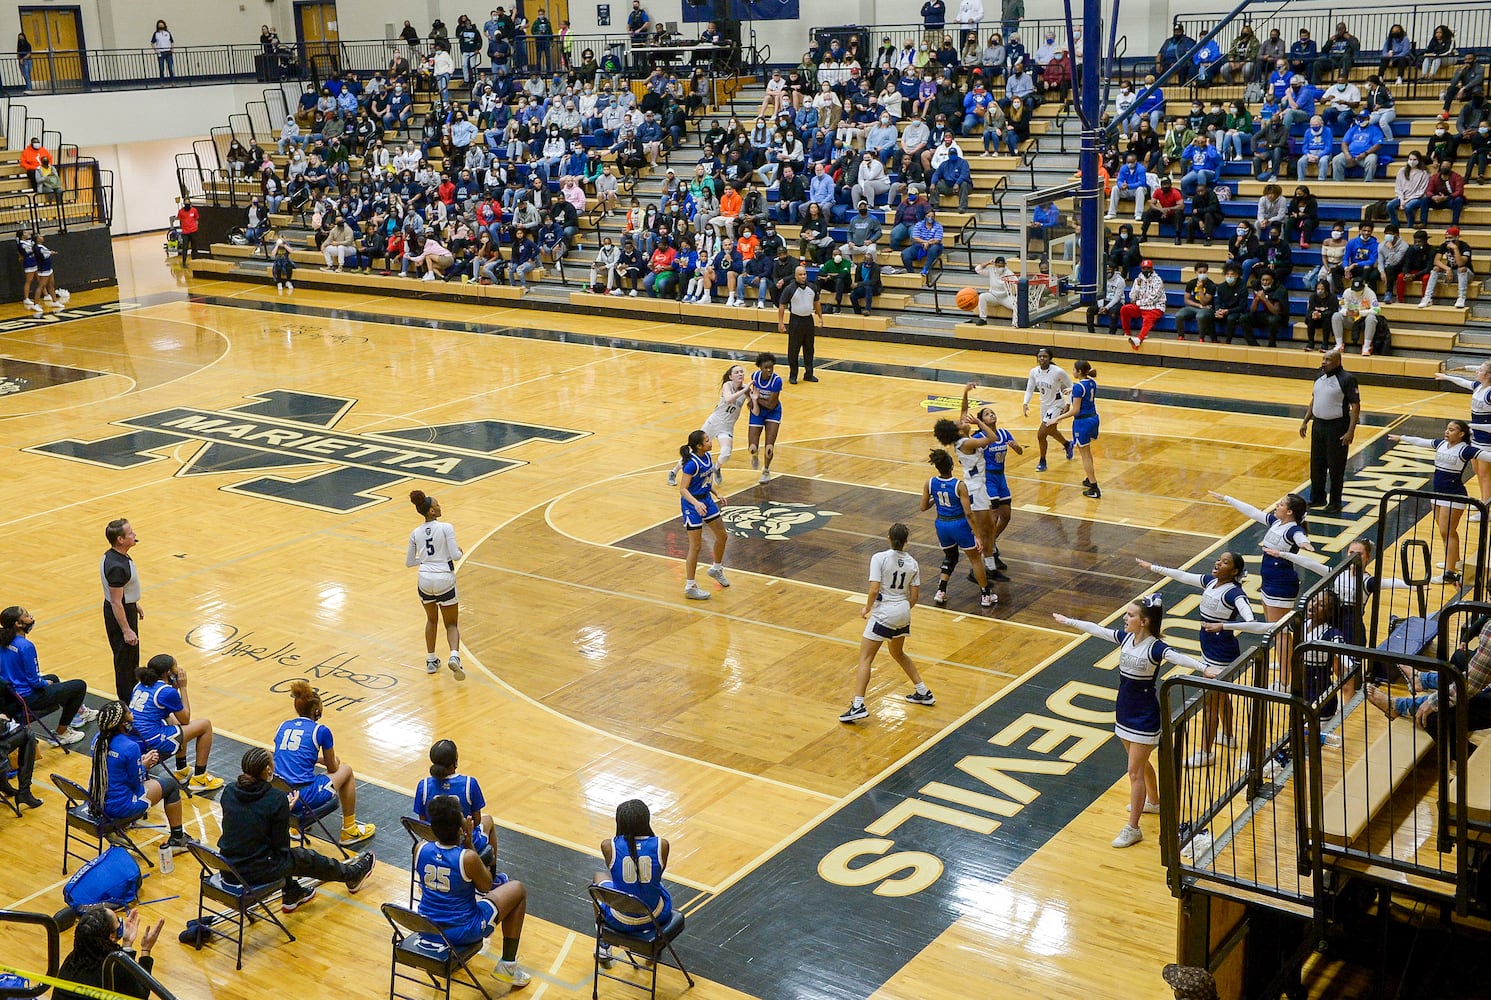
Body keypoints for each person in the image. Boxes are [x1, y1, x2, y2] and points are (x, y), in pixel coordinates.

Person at [1052, 596, 1204, 847]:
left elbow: (1178, 658)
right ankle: (1154, 802)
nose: (1125, 618)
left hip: (1144, 715)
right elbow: (1097, 630)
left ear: (1144, 621)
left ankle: (1133, 828)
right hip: (1123, 709)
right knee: (1142, 766)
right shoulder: (1125, 639)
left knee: (1134, 771)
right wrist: (1069, 621)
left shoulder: (1155, 647)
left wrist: (1203, 667)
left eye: (1130, 615)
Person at [1137, 552, 1267, 765]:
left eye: (1225, 562)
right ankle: (1228, 736)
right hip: (1210, 648)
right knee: (1220, 696)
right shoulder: (1210, 582)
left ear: (1234, 571)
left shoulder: (1234, 594)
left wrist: (1223, 626)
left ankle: (1206, 753)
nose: (1218, 563)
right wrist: (1153, 567)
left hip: (1221, 653)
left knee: (1210, 704)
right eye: (1219, 559)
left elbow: (1252, 623)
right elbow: (1182, 576)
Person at [218, 747, 376, 914]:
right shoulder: (276, 799)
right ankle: (352, 874)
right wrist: (284, 813)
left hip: (228, 868)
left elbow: (246, 824)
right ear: (268, 769)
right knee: (302, 857)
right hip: (253, 873)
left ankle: (293, 892)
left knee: (267, 850)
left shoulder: (229, 791)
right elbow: (282, 849)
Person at [414, 795, 530, 987]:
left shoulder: (419, 848)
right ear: (460, 828)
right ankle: (508, 966)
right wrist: (469, 844)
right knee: (518, 889)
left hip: (427, 926)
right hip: (462, 930)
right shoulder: (467, 858)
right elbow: (486, 886)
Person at [839, 523, 935, 723]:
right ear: (907, 542)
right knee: (897, 652)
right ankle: (923, 691)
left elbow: (874, 589)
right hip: (903, 611)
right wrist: (901, 609)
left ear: (888, 538)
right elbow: (915, 597)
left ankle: (858, 705)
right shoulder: (913, 563)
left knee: (865, 658)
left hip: (885, 612)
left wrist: (866, 608)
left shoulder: (879, 558)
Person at [272, 679, 376, 846]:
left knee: (300, 775)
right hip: (302, 798)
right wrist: (332, 760)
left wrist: (316, 759)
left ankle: (295, 828)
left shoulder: (282, 726)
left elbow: (290, 756)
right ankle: (349, 830)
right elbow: (333, 767)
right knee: (346, 770)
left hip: (280, 796)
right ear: (317, 710)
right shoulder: (321, 731)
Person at [1388, 423, 1486, 584]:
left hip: (1454, 496)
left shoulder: (1465, 449)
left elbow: (1487, 456)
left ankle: (1449, 573)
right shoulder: (1441, 444)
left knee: (1448, 531)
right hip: (1437, 494)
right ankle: (1455, 561)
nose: (1447, 432)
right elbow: (1421, 441)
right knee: (1444, 532)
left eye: (1452, 430)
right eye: (1447, 429)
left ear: (1461, 434)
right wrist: (1402, 438)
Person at [89, 701, 188, 852]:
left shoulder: (97, 740)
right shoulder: (130, 747)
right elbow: (137, 783)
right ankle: (177, 839)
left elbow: (113, 767)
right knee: (171, 786)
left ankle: (116, 830)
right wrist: (144, 765)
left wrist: (138, 763)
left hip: (97, 801)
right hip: (119, 807)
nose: (132, 716)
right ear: (123, 723)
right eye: (129, 712)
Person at [1209, 491, 1315, 630]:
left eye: (1281, 504)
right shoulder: (1276, 523)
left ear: (1289, 511)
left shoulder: (1293, 530)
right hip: (1268, 583)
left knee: (1279, 632)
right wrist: (1227, 499)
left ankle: (1291, 653)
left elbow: (1299, 537)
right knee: (1274, 631)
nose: (1277, 505)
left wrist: (1305, 543)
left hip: (1281, 585)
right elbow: (1252, 512)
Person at [1, 605, 96, 746]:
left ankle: (79, 713)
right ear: (18, 624)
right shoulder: (25, 646)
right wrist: (45, 684)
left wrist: (47, 682)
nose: (31, 617)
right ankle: (62, 733)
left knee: (53, 678)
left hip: (9, 696)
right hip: (27, 698)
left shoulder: (3, 640)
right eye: (27, 615)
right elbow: (34, 681)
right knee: (79, 686)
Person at [128, 654, 223, 792]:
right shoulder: (166, 692)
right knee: (205, 725)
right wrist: (183, 688)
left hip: (135, 738)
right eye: (176, 667)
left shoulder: (140, 685)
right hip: (152, 741)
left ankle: (182, 770)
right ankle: (200, 779)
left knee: (174, 721)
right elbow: (186, 718)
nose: (179, 670)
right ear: (169, 673)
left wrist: (175, 689)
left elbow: (166, 712)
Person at [921, 448, 993, 608]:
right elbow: (968, 514)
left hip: (941, 525)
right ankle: (986, 595)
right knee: (975, 559)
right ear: (952, 466)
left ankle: (941, 591)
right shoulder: (959, 485)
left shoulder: (930, 483)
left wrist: (936, 501)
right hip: (958, 524)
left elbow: (923, 507)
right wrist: (978, 535)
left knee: (950, 557)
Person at [407, 489, 464, 679]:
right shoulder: (446, 527)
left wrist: (425, 561)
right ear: (431, 511)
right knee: (451, 624)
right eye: (437, 505)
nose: (440, 507)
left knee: (431, 620)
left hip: (424, 580)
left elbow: (409, 562)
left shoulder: (415, 533)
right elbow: (456, 555)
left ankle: (431, 660)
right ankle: (454, 657)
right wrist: (459, 551)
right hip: (443, 580)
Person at [412, 740, 496, 870]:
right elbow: (476, 821)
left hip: (435, 841)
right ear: (455, 761)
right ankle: (491, 874)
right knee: (488, 820)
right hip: (463, 842)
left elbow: (423, 824)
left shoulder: (423, 785)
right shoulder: (469, 783)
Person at [52, 907, 166, 1000]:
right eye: (117, 921)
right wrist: (146, 950)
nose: (121, 923)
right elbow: (141, 995)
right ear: (112, 936)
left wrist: (127, 944)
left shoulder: (74, 958)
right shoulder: (112, 966)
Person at [676, 430, 729, 601]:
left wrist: (716, 493)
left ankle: (717, 568)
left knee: (722, 536)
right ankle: (690, 586)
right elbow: (683, 489)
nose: (710, 442)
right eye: (707, 440)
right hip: (692, 505)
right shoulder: (691, 463)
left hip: (706, 500)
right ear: (699, 446)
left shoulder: (707, 457)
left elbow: (705, 480)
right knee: (696, 546)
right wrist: (696, 504)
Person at [100, 518, 144, 704]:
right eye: (130, 533)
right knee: (125, 662)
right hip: (119, 614)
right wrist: (126, 630)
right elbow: (116, 602)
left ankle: (131, 698)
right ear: (120, 539)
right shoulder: (117, 566)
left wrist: (134, 603)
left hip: (125, 608)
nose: (134, 535)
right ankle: (127, 704)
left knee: (130, 659)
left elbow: (121, 594)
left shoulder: (114, 555)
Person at [1049, 359, 1101, 499]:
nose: (1072, 371)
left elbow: (1075, 410)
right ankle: (1090, 479)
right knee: (1087, 451)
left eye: (1073, 369)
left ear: (1079, 372)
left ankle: (1094, 487)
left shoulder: (1078, 387)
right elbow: (1084, 392)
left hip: (1082, 422)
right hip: (1093, 418)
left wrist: (1057, 418)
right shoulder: (1091, 382)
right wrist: (1073, 390)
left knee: (1085, 454)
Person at [1023, 348, 1072, 472]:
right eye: (1040, 356)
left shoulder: (1058, 371)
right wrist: (1025, 403)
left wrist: (1068, 403)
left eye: (1045, 356)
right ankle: (1067, 444)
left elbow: (1071, 386)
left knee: (1041, 434)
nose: (1042, 359)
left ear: (1050, 358)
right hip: (1044, 405)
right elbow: (1030, 388)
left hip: (1057, 404)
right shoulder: (1034, 371)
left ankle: (1042, 461)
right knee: (1051, 431)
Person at [777, 264, 822, 386]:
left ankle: (809, 373)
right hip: (795, 321)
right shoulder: (790, 289)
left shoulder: (812, 287)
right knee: (793, 349)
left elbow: (817, 303)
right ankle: (793, 375)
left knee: (809, 349)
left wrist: (820, 317)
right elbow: (782, 305)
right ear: (796, 276)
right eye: (800, 275)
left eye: (805, 274)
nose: (803, 277)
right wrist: (781, 322)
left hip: (808, 321)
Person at [1420, 226, 1474, 309]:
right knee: (1435, 269)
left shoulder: (1465, 247)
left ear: (1457, 237)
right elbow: (1436, 261)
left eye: (1450, 237)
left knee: (1461, 269)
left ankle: (1461, 298)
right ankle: (1427, 297)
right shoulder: (1444, 245)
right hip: (1451, 272)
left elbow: (1460, 263)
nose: (1448, 240)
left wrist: (1455, 249)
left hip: (1466, 274)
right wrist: (1447, 269)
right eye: (1446, 238)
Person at [1120, 259, 1166, 350]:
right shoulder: (1138, 279)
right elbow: (1132, 298)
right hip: (1141, 307)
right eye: (1144, 268)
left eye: (1148, 268)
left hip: (1155, 306)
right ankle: (1127, 333)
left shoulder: (1158, 280)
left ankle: (1139, 339)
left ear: (1152, 268)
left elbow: (1153, 298)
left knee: (1148, 318)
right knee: (1124, 309)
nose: (1146, 270)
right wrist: (1137, 287)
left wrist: (1138, 302)